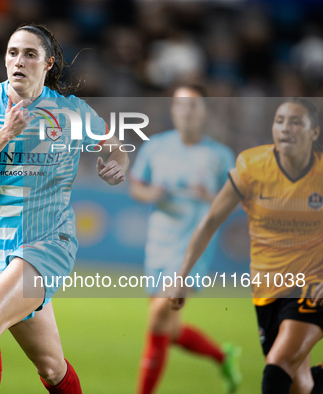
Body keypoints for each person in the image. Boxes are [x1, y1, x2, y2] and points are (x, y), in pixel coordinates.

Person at [0, 23, 129, 394]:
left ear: (48, 64)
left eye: (30, 54)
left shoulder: (70, 112)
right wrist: (5, 134)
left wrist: (117, 165)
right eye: (13, 53)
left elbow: (116, 147)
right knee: (51, 366)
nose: (19, 61)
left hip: (48, 242)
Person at [170, 97, 323, 394]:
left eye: (295, 122)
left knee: (277, 365)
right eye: (280, 121)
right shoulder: (252, 166)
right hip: (267, 287)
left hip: (311, 285)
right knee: (297, 383)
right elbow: (210, 221)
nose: (285, 129)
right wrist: (182, 276)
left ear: (314, 132)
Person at [129, 85, 242, 394]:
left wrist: (213, 198)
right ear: (173, 111)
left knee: (156, 320)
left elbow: (236, 201)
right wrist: (152, 193)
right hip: (159, 244)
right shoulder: (155, 147)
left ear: (203, 111)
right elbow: (137, 187)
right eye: (180, 106)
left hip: (192, 250)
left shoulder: (220, 155)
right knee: (170, 328)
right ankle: (224, 357)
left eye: (193, 106)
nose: (186, 112)